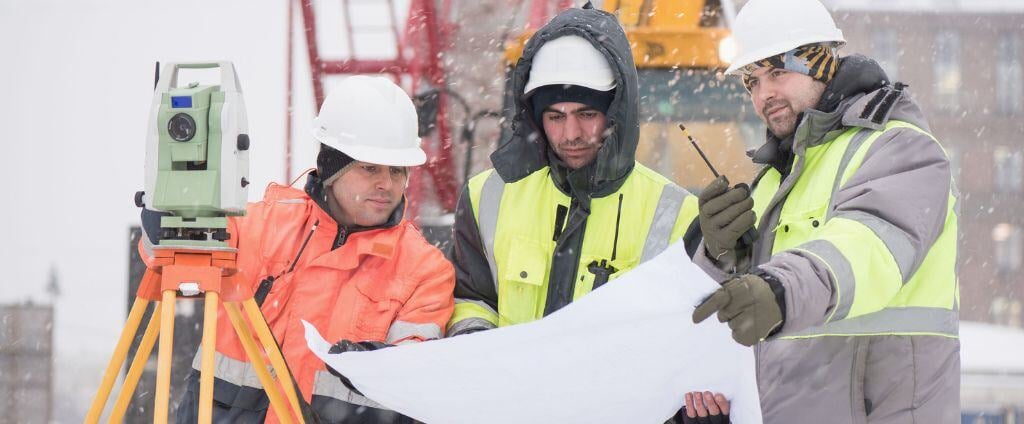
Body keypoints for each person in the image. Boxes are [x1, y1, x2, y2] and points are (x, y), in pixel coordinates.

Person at [445, 4, 727, 422]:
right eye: (555, 117)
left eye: (587, 114)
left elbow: (691, 340)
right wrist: (480, 349)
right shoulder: (486, 196)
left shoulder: (678, 212)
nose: (571, 134)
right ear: (536, 117)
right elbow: (472, 299)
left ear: (615, 113)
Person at [691, 0, 960, 422]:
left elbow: (865, 248)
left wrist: (779, 290)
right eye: (752, 82)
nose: (765, 95)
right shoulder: (772, 181)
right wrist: (715, 254)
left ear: (821, 61)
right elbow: (734, 307)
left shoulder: (901, 148)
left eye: (777, 72)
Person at [141, 76, 455, 423]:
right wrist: (170, 214)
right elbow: (170, 254)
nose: (387, 184)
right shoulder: (262, 226)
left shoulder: (425, 270)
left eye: (397, 171)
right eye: (369, 168)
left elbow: (415, 367)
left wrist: (371, 365)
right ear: (332, 167)